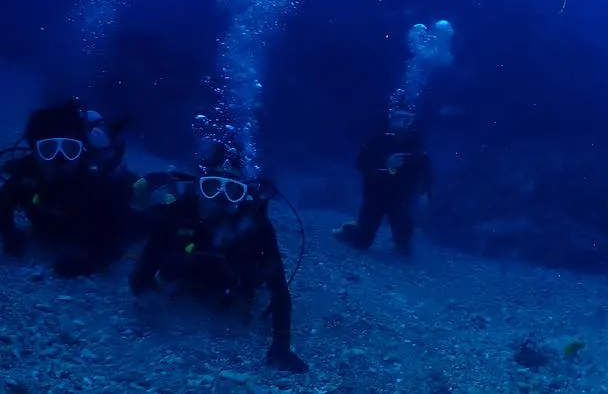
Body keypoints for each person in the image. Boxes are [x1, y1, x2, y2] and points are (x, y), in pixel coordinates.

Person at [129, 146, 307, 374]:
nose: (221, 199)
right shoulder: (180, 212)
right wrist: (145, 291)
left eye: (233, 191)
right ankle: (171, 192)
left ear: (244, 194)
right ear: (199, 187)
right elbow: (147, 262)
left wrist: (281, 347)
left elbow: (278, 286)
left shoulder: (256, 225)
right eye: (212, 187)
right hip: (187, 277)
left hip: (233, 286)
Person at [0, 97, 138, 277]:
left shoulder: (99, 183)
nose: (60, 160)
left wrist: (88, 264)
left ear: (82, 151)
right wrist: (9, 236)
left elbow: (118, 235)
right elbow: (4, 203)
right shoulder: (27, 174)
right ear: (35, 152)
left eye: (70, 149)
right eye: (48, 150)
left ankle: (116, 128)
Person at [334, 94, 433, 256]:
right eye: (398, 118)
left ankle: (398, 239)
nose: (402, 124)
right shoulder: (376, 136)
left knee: (404, 247)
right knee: (361, 242)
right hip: (376, 195)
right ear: (390, 117)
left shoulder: (415, 140)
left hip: (401, 198)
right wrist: (385, 165)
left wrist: (426, 191)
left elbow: (425, 165)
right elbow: (361, 163)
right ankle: (351, 227)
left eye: (408, 120)